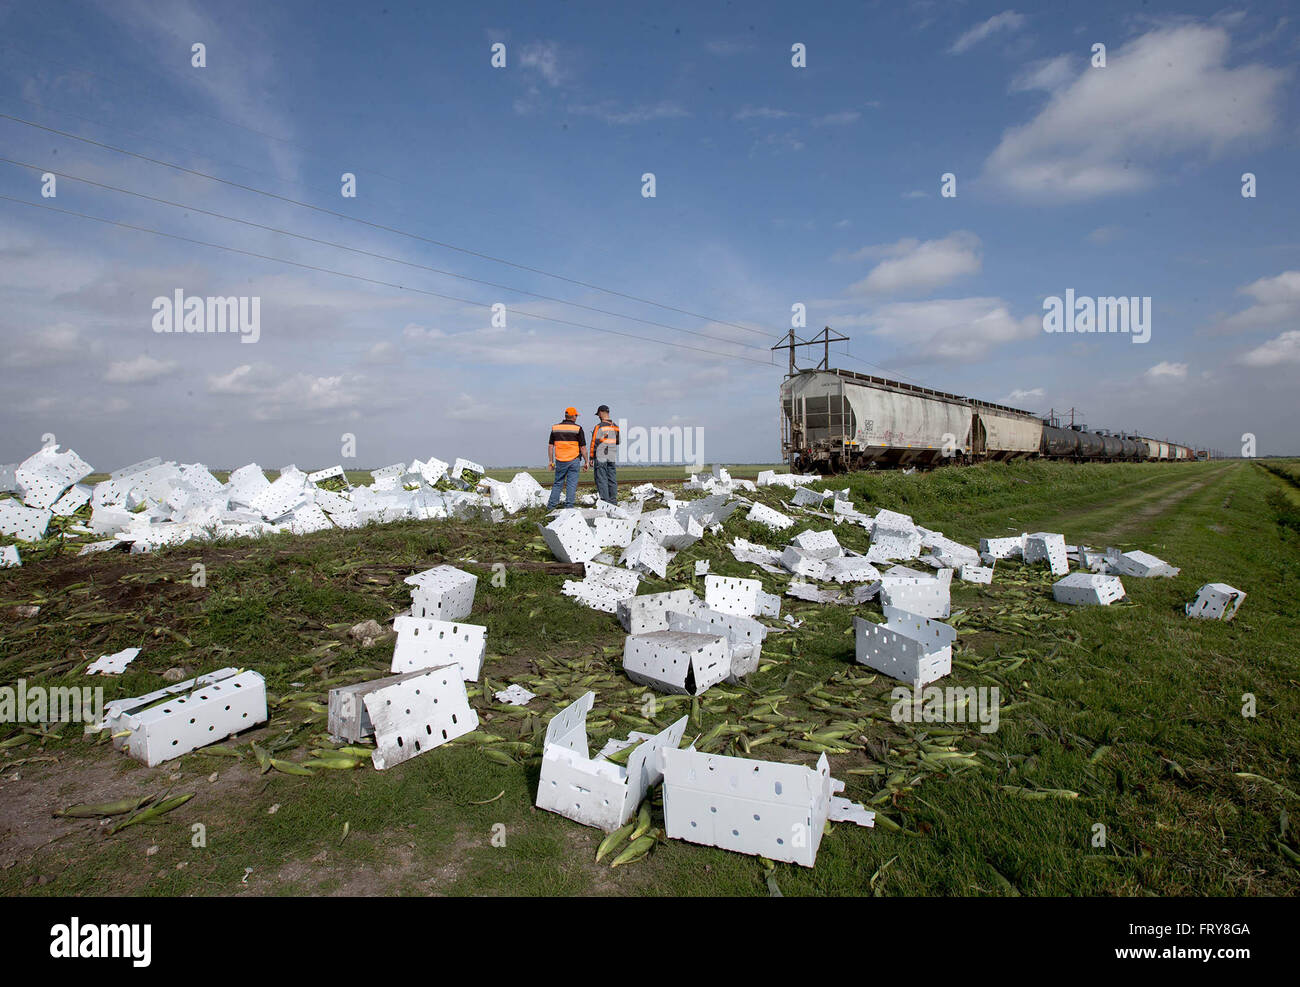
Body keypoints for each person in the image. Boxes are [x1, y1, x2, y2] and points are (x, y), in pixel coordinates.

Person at [546, 406, 588, 509]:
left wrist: (551, 462)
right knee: (571, 484)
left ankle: (551, 507)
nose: (576, 417)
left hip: (560, 460)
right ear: (573, 416)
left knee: (558, 483)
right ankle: (569, 507)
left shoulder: (555, 428)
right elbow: (582, 447)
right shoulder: (578, 428)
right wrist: (587, 461)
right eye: (576, 415)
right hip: (574, 460)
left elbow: (551, 446)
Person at [591, 404, 620, 504]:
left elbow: (594, 443)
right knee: (612, 478)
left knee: (601, 478)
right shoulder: (616, 427)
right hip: (611, 454)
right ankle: (613, 501)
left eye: (598, 414)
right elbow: (618, 441)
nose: (598, 416)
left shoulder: (598, 427)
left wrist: (591, 457)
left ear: (601, 413)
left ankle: (605, 502)